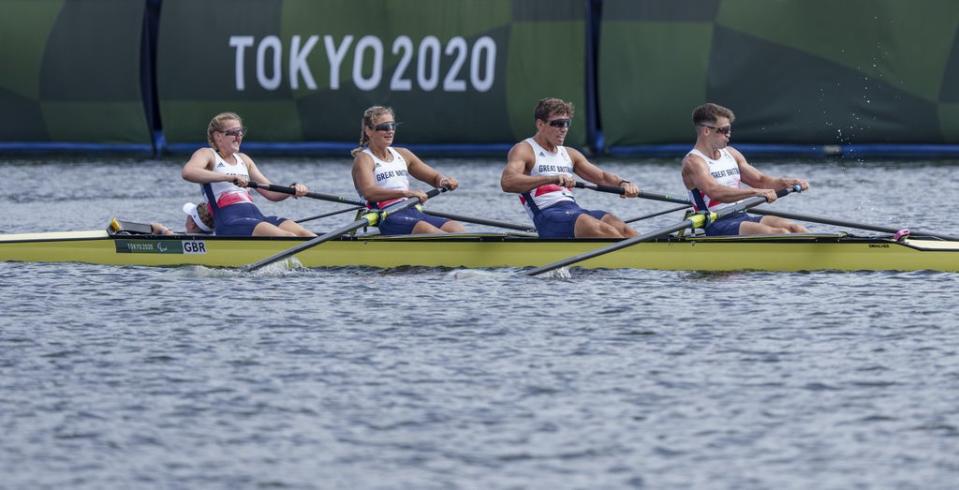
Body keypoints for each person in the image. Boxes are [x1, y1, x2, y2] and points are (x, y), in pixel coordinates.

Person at [501, 97, 639, 238]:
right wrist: (551, 179)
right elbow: (508, 182)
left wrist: (623, 183)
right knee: (605, 230)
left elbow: (602, 177)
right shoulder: (524, 150)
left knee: (621, 227)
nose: (564, 129)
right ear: (540, 124)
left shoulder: (570, 154)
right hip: (548, 216)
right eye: (558, 124)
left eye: (567, 123)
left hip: (574, 211)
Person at [681, 103, 810, 236]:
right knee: (780, 233)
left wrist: (789, 182)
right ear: (707, 131)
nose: (728, 135)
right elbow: (716, 192)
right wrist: (755, 192)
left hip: (741, 216)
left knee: (796, 228)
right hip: (716, 223)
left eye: (730, 130)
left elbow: (761, 181)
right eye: (724, 130)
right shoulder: (693, 162)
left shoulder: (732, 153)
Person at [181, 112, 316, 237]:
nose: (238, 136)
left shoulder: (244, 160)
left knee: (305, 235)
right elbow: (188, 172)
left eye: (240, 132)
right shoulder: (207, 154)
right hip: (230, 222)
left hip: (256, 217)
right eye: (233, 132)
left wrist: (292, 189)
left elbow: (271, 192)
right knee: (289, 237)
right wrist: (229, 178)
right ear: (218, 136)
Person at [350, 106, 464, 235]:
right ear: (369, 131)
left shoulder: (403, 154)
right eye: (384, 127)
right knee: (427, 230)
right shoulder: (364, 159)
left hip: (412, 211)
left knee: (455, 228)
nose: (390, 131)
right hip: (387, 215)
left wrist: (444, 181)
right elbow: (369, 193)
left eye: (393, 126)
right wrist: (406, 193)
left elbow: (433, 178)